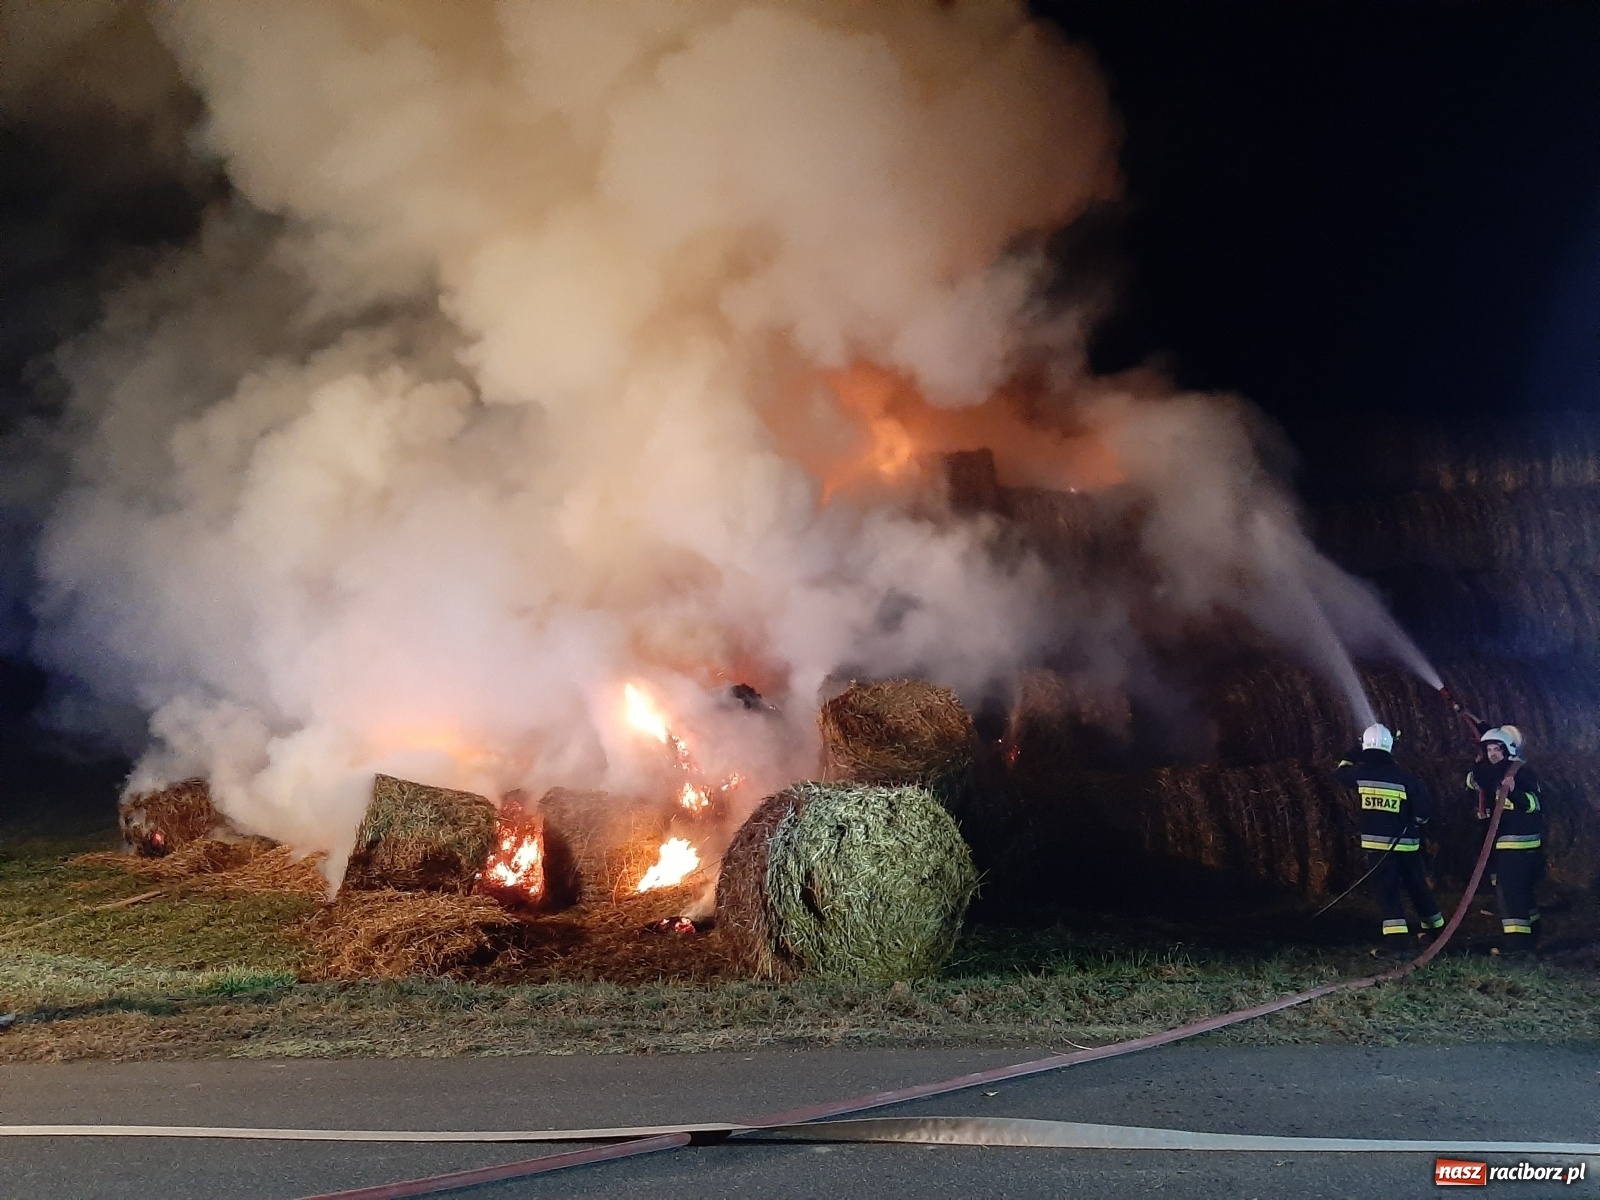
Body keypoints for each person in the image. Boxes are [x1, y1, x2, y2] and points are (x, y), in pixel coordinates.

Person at [1334, 723, 1445, 944]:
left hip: (1378, 847)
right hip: (1407, 845)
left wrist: (1354, 751)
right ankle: (1437, 929)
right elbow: (1424, 810)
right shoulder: (1404, 777)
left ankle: (1397, 942)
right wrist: (1414, 821)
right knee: (1416, 885)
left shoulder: (1360, 774)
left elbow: (1338, 773)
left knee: (1388, 891)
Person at [1467, 725, 1543, 949]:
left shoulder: (1521, 773)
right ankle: (1531, 933)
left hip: (1519, 843)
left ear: (1508, 750)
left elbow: (1534, 805)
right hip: (1504, 844)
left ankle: (1516, 943)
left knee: (1509, 890)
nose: (1492, 754)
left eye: (1497, 749)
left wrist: (1515, 792)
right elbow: (1473, 780)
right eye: (1489, 749)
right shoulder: (1490, 775)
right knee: (1520, 890)